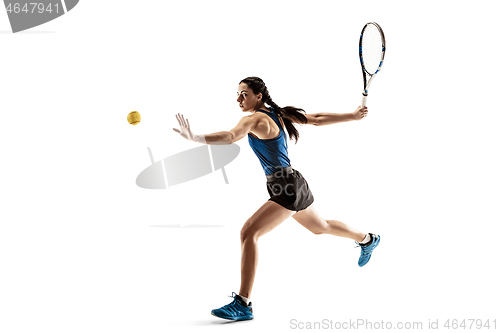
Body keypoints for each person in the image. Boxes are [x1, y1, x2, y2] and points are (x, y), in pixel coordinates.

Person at [172, 76, 380, 321]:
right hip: (292, 182)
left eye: (244, 94)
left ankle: (243, 303)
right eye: (237, 94)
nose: (239, 99)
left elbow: (230, 136)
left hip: (286, 187)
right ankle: (368, 239)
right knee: (320, 227)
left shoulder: (255, 119)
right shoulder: (277, 114)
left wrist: (196, 137)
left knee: (248, 233)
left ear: (258, 96)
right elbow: (315, 119)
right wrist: (352, 116)